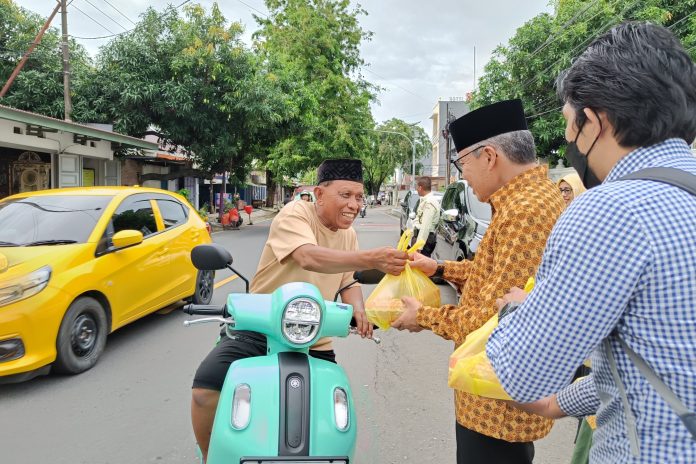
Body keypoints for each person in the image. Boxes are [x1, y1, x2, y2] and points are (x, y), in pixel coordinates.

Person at [487, 22, 696, 463]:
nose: (567, 140)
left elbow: (525, 372)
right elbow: (660, 360)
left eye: (569, 123)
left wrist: (517, 312)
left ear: (596, 121)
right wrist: (560, 404)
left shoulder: (610, 210)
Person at [191, 159, 409, 461]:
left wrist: (359, 310)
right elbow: (308, 257)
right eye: (345, 195)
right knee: (205, 390)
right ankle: (208, 456)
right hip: (259, 328)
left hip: (313, 336)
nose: (354, 205)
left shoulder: (349, 235)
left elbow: (349, 283)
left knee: (331, 410)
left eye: (359, 197)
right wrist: (370, 258)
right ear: (319, 194)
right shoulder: (295, 214)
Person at [391, 99, 566, 463]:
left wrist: (421, 316)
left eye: (461, 163)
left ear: (489, 156)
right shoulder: (526, 199)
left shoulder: (526, 211)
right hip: (493, 394)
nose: (462, 175)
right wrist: (438, 269)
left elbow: (493, 316)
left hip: (496, 407)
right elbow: (494, 274)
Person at [411, 176, 440, 257]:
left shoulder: (429, 203)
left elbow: (425, 226)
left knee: (420, 267)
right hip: (423, 239)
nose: (416, 189)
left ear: (420, 187)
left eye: (417, 187)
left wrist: (419, 247)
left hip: (424, 241)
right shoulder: (426, 200)